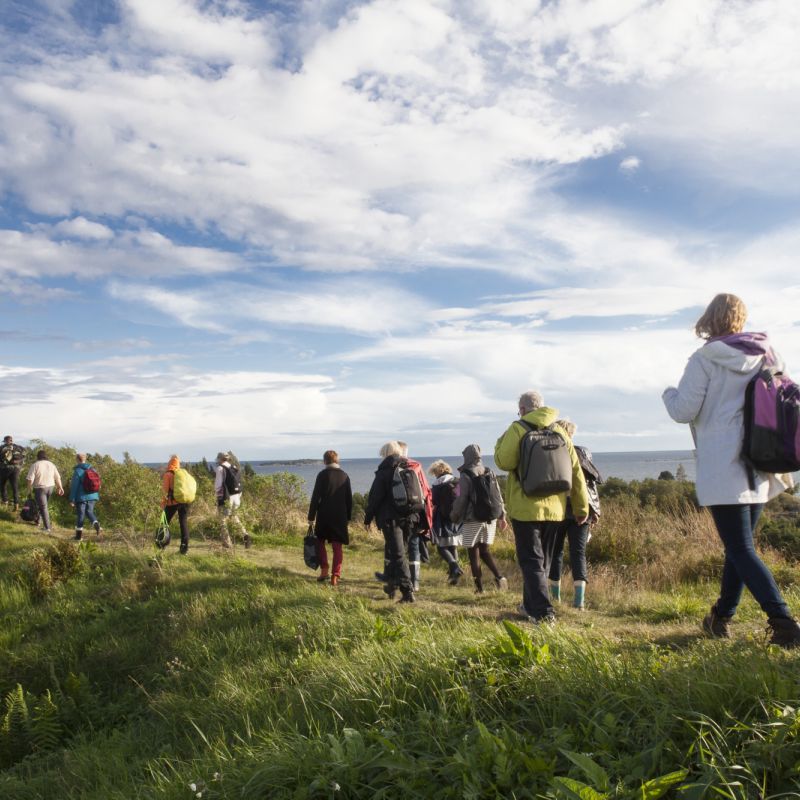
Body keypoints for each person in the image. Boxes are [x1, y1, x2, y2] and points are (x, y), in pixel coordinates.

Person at [662, 292, 800, 647]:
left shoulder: (705, 358)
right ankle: (721, 618)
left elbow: (683, 411)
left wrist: (668, 393)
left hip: (725, 464)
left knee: (740, 549)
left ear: (709, 319)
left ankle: (783, 622)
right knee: (740, 548)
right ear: (741, 318)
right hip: (762, 460)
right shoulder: (768, 353)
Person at [495, 391, 589, 624]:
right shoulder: (560, 432)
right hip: (556, 509)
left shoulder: (518, 429)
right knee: (542, 561)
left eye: (519, 411)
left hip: (525, 508)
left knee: (531, 561)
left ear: (523, 409)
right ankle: (529, 605)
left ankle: (543, 612)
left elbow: (503, 461)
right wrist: (581, 508)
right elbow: (576, 473)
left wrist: (503, 438)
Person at [547, 420, 602, 610]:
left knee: (556, 553)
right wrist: (594, 512)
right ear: (571, 433)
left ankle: (556, 599)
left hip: (558, 510)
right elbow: (590, 487)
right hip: (581, 510)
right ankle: (579, 602)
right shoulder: (582, 452)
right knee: (578, 554)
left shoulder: (552, 452)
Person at [450, 444, 509, 594]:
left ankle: (479, 588)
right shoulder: (489, 471)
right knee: (484, 550)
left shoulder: (466, 474)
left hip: (473, 518)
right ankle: (500, 577)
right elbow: (498, 495)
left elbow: (462, 499)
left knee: (473, 552)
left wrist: (454, 515)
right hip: (490, 518)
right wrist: (503, 515)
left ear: (467, 456)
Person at [364, 441, 415, 603]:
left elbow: (374, 498)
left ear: (385, 453)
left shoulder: (384, 471)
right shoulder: (408, 468)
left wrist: (368, 518)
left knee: (398, 555)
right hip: (409, 518)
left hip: (391, 519)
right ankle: (391, 584)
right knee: (397, 552)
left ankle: (407, 592)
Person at [307, 450, 353, 586]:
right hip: (340, 516)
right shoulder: (345, 476)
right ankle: (335, 576)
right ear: (337, 460)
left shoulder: (322, 475)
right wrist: (348, 517)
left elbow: (315, 497)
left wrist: (311, 517)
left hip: (324, 514)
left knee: (320, 542)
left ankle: (324, 570)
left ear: (325, 461)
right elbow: (349, 499)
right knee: (337, 546)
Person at [427, 460, 464, 585]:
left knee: (441, 547)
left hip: (442, 518)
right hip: (457, 518)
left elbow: (434, 501)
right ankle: (454, 578)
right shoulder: (457, 481)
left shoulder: (437, 485)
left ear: (437, 472)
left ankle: (455, 567)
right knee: (453, 546)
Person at [215, 451, 250, 549]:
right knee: (234, 517)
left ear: (220, 459)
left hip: (227, 498)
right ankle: (245, 535)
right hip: (237, 497)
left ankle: (227, 544)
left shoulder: (220, 468)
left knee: (222, 520)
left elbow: (218, 485)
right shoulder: (234, 468)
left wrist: (218, 498)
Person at [26, 449, 64, 533]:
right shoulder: (51, 464)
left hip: (40, 488)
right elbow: (57, 477)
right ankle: (38, 520)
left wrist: (29, 490)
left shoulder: (35, 465)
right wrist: (60, 487)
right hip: (50, 487)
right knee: (42, 505)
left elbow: (30, 479)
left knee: (43, 507)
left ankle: (47, 528)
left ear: (38, 456)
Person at [69, 452, 102, 541]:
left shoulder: (78, 471)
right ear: (85, 459)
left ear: (77, 459)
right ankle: (97, 525)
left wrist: (72, 499)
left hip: (81, 497)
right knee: (89, 512)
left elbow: (74, 486)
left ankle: (78, 537)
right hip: (93, 495)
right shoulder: (93, 469)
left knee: (81, 515)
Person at [162, 455, 191, 554]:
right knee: (183, 523)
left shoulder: (168, 474)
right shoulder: (182, 473)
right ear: (178, 464)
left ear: (170, 463)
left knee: (164, 523)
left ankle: (162, 544)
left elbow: (165, 492)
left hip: (172, 502)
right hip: (185, 501)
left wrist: (163, 504)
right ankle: (184, 548)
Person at [0, 434, 26, 510]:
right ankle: (16, 504)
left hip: (4, 469)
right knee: (15, 487)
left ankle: (5, 502)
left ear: (5, 441)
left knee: (3, 485)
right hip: (16, 469)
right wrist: (19, 461)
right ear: (12, 440)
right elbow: (24, 455)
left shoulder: (2, 448)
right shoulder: (19, 447)